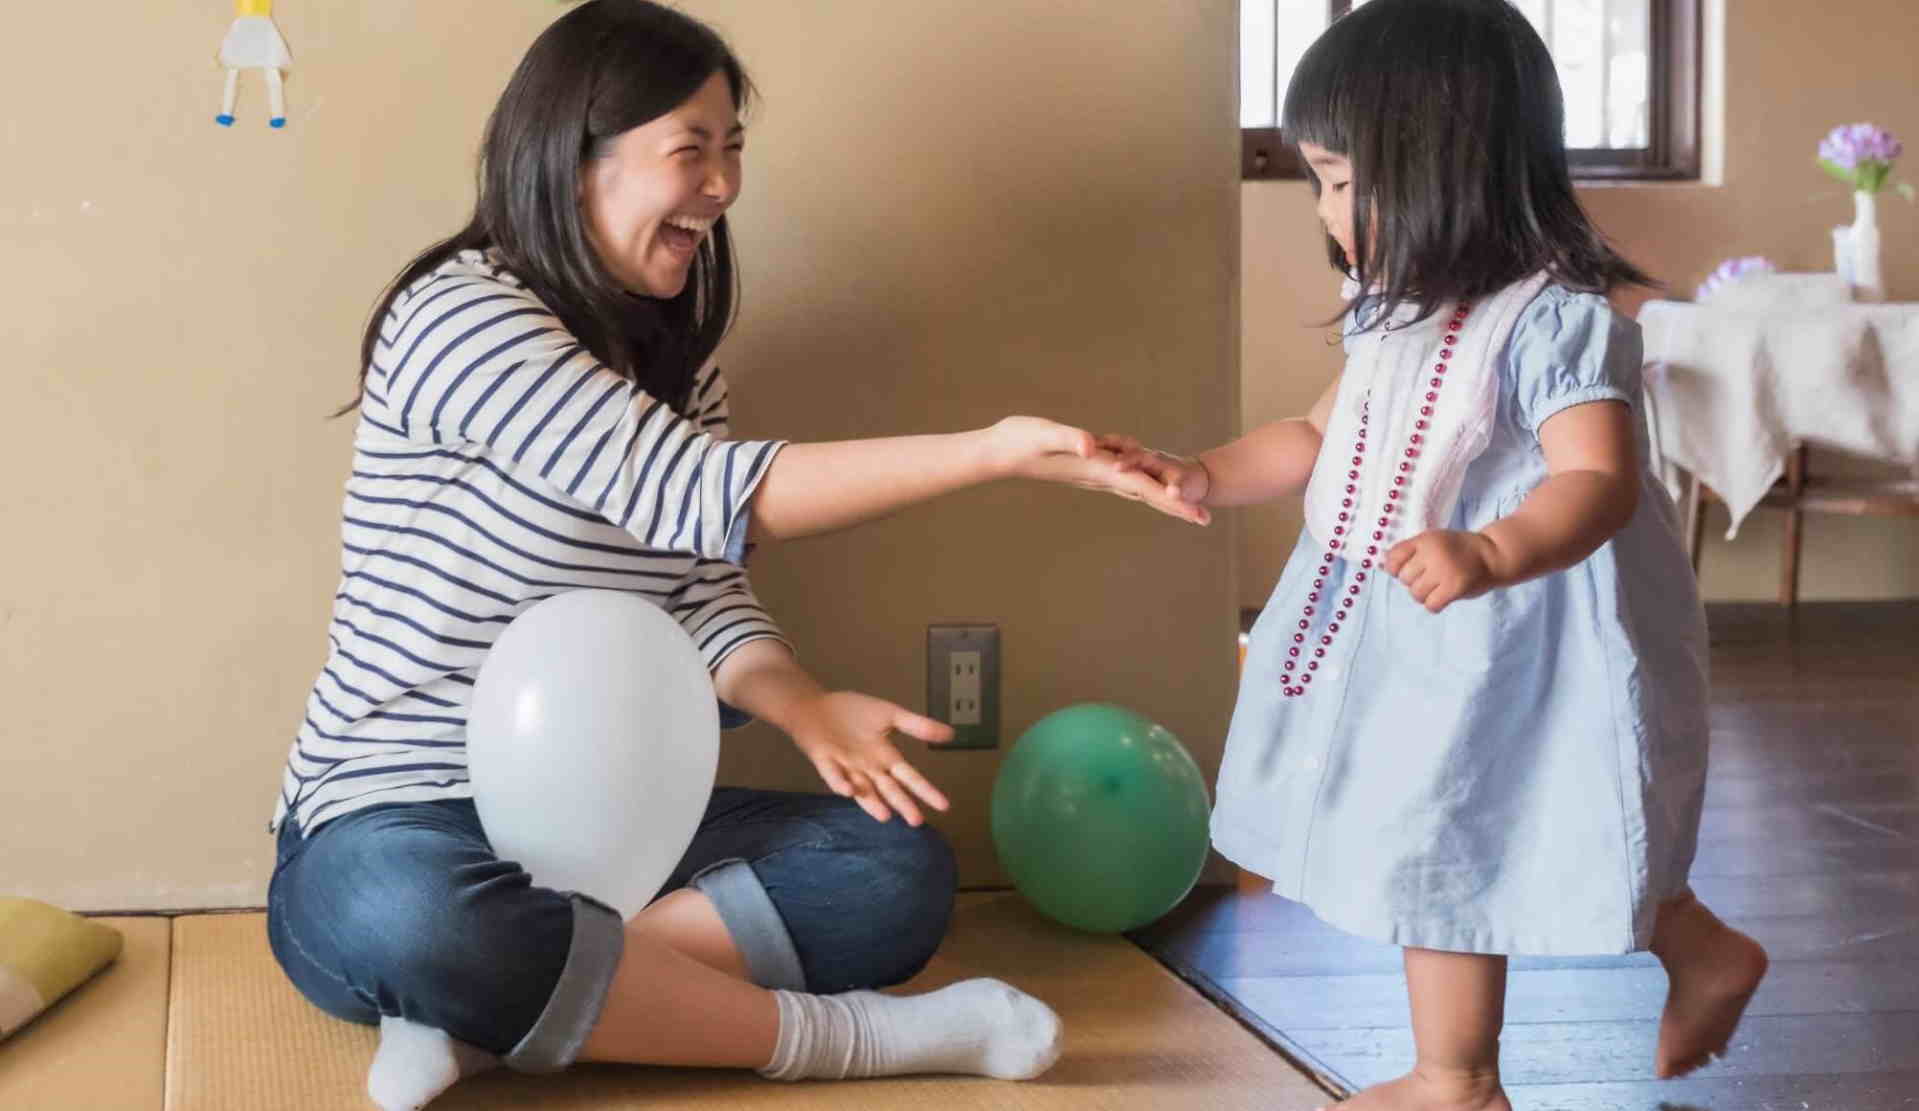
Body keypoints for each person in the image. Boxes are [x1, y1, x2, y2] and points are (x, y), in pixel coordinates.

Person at [263, 4, 1198, 1109]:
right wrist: (990, 451)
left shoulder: (671, 355)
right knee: (406, 916)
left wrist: (802, 706)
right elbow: (700, 493)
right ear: (573, 164)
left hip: (617, 816)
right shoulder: (459, 319)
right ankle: (854, 1038)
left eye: (732, 148)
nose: (722, 186)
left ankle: (488, 1014)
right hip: (400, 807)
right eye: (690, 151)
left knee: (892, 867)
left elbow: (697, 586)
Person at [1106, 3, 1768, 1108]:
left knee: (1470, 824)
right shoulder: (1389, 308)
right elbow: (1320, 434)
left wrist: (1491, 548)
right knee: (1444, 821)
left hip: (1518, 631)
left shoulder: (1554, 320)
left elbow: (1595, 480)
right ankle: (1690, 955)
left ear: (1439, 165)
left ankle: (1453, 1079)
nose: (1322, 211)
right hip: (1411, 626)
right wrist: (1205, 474)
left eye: (1334, 178)